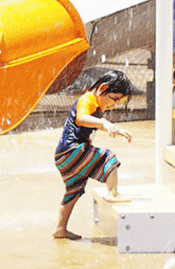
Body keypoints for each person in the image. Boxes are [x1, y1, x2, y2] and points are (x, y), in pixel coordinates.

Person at [53, 69, 133, 240]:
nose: (113, 105)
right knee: (108, 157)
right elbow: (81, 118)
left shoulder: (96, 104)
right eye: (114, 99)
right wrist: (104, 123)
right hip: (71, 150)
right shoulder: (88, 99)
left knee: (74, 189)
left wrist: (116, 129)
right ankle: (113, 193)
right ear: (103, 88)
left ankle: (60, 229)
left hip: (63, 156)